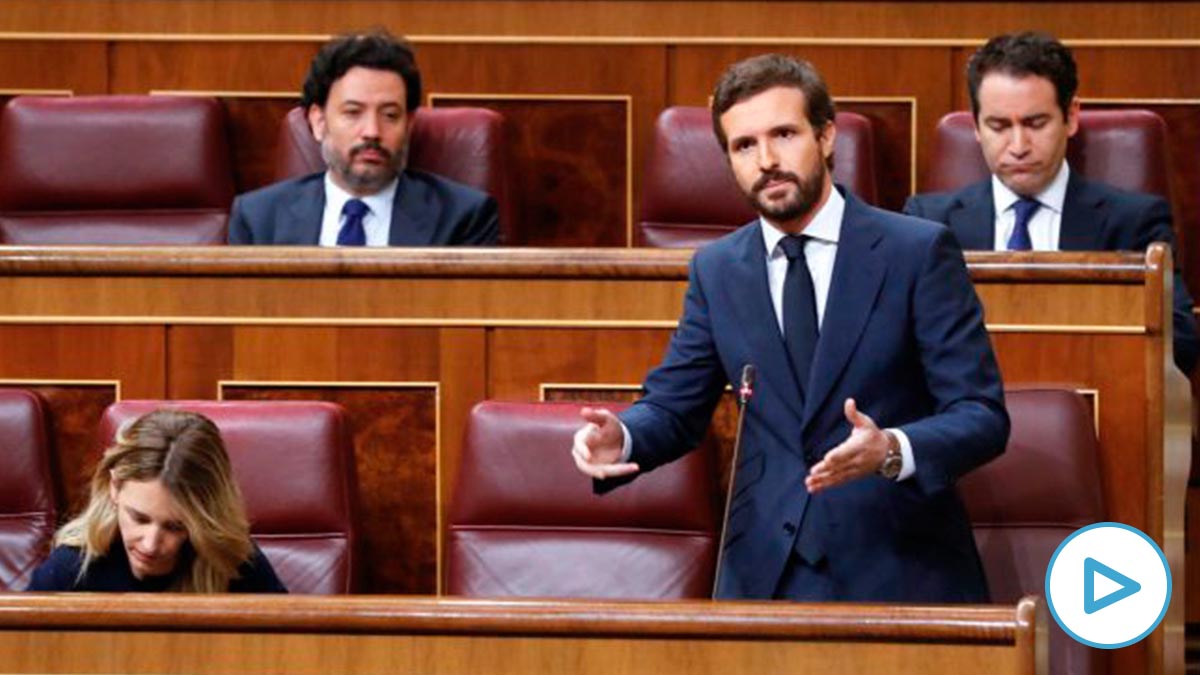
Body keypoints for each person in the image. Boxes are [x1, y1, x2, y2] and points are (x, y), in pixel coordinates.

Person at [571, 54, 1009, 602]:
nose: (767, 160)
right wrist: (625, 434)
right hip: (764, 578)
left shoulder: (915, 251)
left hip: (898, 568)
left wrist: (892, 449)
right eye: (744, 145)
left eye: (784, 134)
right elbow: (675, 407)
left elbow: (982, 416)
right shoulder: (718, 269)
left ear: (826, 136)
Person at [904, 31, 1199, 375]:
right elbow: (898, 338)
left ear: (1071, 116)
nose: (1018, 145)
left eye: (1035, 123)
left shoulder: (1133, 222)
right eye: (998, 126)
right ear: (976, 126)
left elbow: (1178, 340)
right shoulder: (929, 222)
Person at [229, 30, 499, 247]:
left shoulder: (464, 217)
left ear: (409, 124)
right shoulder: (258, 217)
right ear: (318, 121)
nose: (372, 131)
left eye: (390, 115)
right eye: (353, 113)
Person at [26, 409, 286, 593]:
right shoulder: (70, 567)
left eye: (175, 527)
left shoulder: (233, 562)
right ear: (115, 487)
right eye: (139, 518)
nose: (150, 545)